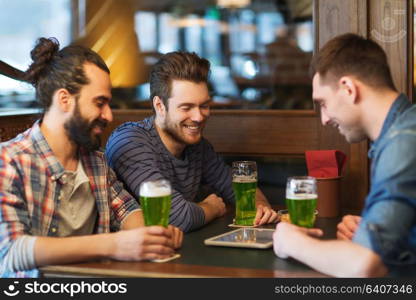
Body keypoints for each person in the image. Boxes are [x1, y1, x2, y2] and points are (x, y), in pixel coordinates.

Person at [0, 37, 183, 278]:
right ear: (64, 99)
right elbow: (11, 251)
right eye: (99, 103)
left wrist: (152, 236)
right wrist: (116, 244)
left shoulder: (95, 161)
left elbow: (126, 210)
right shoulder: (10, 161)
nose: (108, 115)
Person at [273, 33, 416, 277]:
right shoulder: (403, 128)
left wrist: (292, 243)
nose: (324, 118)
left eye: (324, 103)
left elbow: (366, 266)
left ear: (348, 89)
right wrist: (374, 231)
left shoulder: (402, 143)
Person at [105, 52, 278, 232]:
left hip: (172, 250)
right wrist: (212, 208)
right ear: (159, 106)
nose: (198, 117)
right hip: (129, 254)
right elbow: (177, 218)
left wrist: (260, 207)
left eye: (203, 105)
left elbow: (234, 186)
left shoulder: (197, 146)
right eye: (186, 107)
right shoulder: (129, 142)